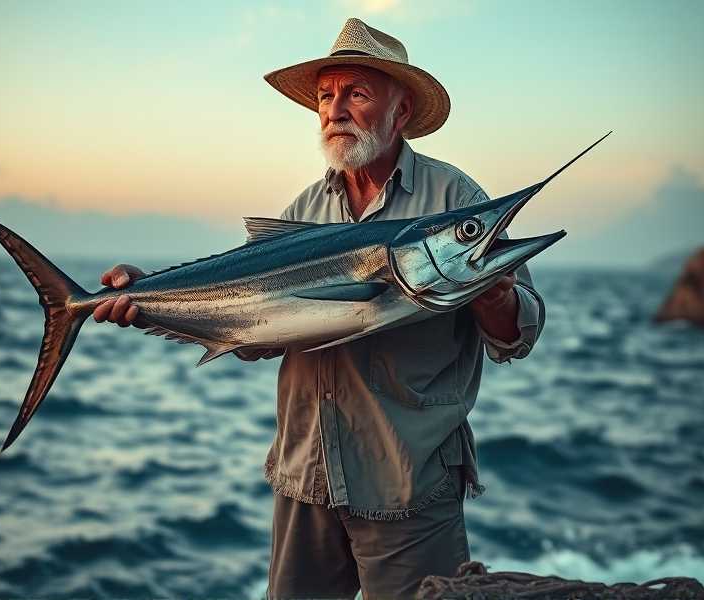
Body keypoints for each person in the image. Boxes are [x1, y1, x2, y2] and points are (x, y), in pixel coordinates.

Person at [93, 17, 545, 600]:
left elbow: (518, 335)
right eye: (326, 97)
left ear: (400, 111)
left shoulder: (456, 202)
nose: (335, 110)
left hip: (409, 480)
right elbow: (257, 338)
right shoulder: (305, 207)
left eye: (356, 93)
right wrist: (145, 297)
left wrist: (499, 295)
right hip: (305, 475)